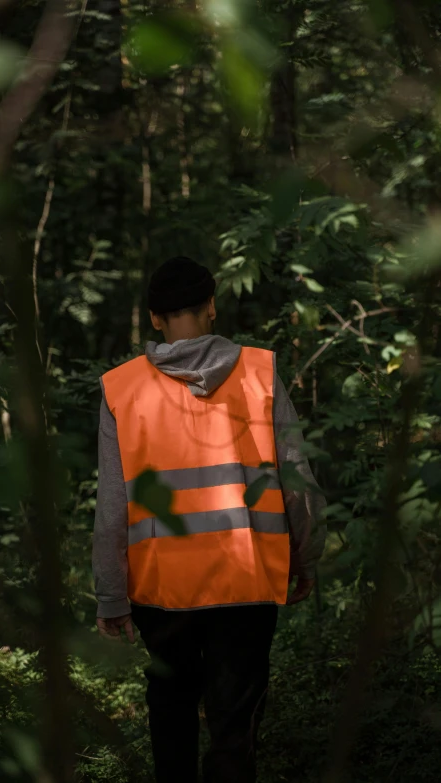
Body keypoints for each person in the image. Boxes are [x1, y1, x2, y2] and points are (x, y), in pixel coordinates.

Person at [92, 256, 326, 783]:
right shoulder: (261, 374)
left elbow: (112, 504)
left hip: (160, 588)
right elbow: (297, 481)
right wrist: (305, 558)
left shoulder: (121, 389)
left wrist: (111, 593)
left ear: (154, 318)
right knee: (234, 720)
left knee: (171, 702)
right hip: (247, 579)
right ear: (212, 306)